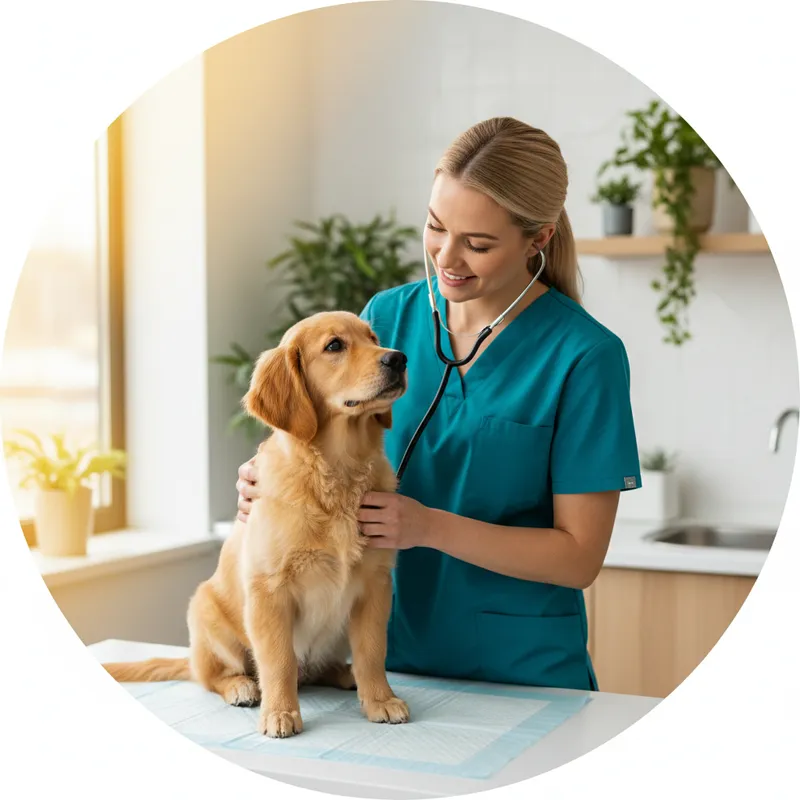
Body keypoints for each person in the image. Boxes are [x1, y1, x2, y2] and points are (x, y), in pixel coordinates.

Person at [236, 117, 641, 691]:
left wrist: (428, 527)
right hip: (381, 670)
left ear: (539, 239)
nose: (447, 257)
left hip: (522, 675)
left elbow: (579, 559)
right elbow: (323, 438)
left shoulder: (585, 356)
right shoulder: (385, 319)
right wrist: (269, 480)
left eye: (478, 244)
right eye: (435, 227)